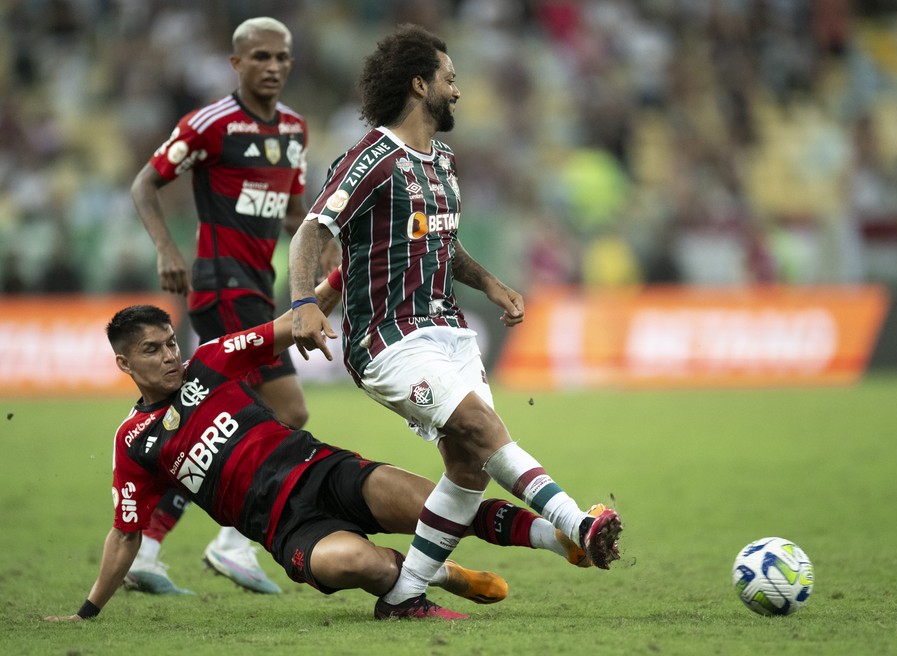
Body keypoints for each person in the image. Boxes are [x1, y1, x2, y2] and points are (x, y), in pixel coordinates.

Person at [288, 24, 623, 620]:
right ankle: (576, 525)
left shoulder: (440, 159)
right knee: (479, 425)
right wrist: (302, 304)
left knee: (468, 469)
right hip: (388, 340)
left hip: (447, 332)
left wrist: (492, 283)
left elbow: (443, 244)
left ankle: (404, 595)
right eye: (449, 78)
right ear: (420, 85)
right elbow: (312, 231)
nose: (458, 91)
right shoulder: (371, 159)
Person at [44, 292, 595, 623]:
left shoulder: (209, 362)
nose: (169, 356)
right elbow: (125, 533)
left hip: (324, 471)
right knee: (364, 565)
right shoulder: (135, 441)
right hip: (284, 527)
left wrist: (328, 284)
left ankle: (559, 539)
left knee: (440, 503)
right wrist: (88, 610)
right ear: (124, 364)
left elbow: (289, 326)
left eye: (169, 342)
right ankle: (444, 573)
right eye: (152, 350)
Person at [128, 16, 324, 595]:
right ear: (236, 64)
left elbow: (291, 214)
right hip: (220, 286)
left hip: (258, 288)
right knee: (290, 412)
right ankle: (233, 544)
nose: (272, 67)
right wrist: (167, 249)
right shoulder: (210, 125)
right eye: (260, 57)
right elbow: (144, 183)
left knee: (215, 427)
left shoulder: (293, 129)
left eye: (282, 58)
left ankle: (148, 547)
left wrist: (329, 236)